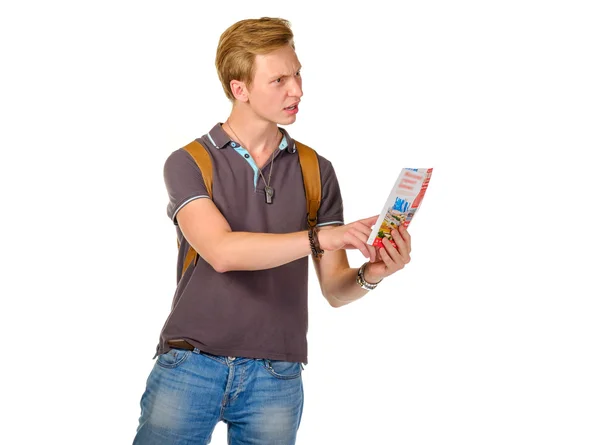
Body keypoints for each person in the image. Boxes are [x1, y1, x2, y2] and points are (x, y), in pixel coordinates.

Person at [133, 17, 412, 445]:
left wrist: (371, 274)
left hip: (276, 375)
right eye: (279, 79)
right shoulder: (189, 162)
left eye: (297, 74)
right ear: (238, 89)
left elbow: (336, 290)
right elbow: (222, 252)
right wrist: (323, 237)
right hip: (190, 367)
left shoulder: (316, 170)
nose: (297, 89)